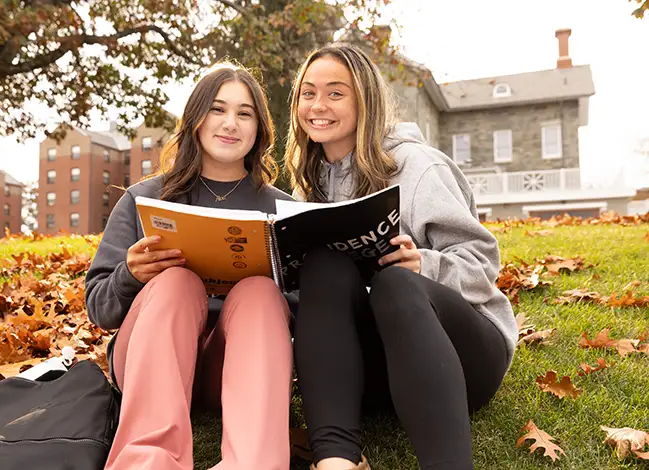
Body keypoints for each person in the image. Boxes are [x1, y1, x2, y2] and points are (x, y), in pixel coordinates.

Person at [284, 43, 519, 470]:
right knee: (322, 265)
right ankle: (337, 460)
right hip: (374, 374)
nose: (318, 105)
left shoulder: (414, 166)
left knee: (395, 282)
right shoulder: (308, 185)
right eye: (308, 92)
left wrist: (423, 265)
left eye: (336, 93)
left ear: (365, 101)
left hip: (465, 358)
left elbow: (482, 262)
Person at [85, 62, 294, 470]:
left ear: (260, 129)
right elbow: (99, 308)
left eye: (244, 113)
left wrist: (281, 291)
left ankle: (254, 464)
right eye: (217, 109)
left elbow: (308, 307)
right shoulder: (145, 197)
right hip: (149, 365)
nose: (230, 123)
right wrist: (130, 275)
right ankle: (147, 462)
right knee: (177, 281)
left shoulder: (281, 208)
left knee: (259, 291)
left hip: (235, 368)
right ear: (196, 118)